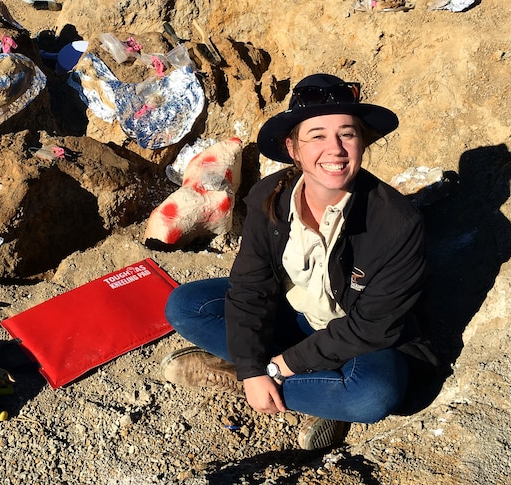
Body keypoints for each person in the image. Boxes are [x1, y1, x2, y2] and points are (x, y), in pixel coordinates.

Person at [161, 73, 436, 450]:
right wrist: (253, 368)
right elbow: (250, 289)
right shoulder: (269, 198)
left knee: (373, 395)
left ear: (363, 142)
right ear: (293, 148)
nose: (335, 149)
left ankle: (256, 383)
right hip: (292, 319)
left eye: (347, 134)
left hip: (357, 342)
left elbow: (372, 329)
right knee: (185, 305)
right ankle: (302, 391)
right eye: (317, 135)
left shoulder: (397, 224)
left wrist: (270, 369)